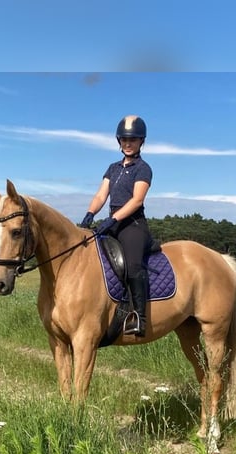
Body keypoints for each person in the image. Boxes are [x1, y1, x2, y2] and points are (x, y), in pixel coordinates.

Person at [78, 115, 153, 337]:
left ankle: (139, 316)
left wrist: (113, 219)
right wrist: (90, 214)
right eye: (124, 140)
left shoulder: (143, 168)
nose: (128, 144)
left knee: (132, 264)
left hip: (133, 224)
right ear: (119, 141)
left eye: (133, 139)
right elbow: (101, 195)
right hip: (113, 222)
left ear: (141, 142)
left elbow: (137, 200)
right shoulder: (113, 168)